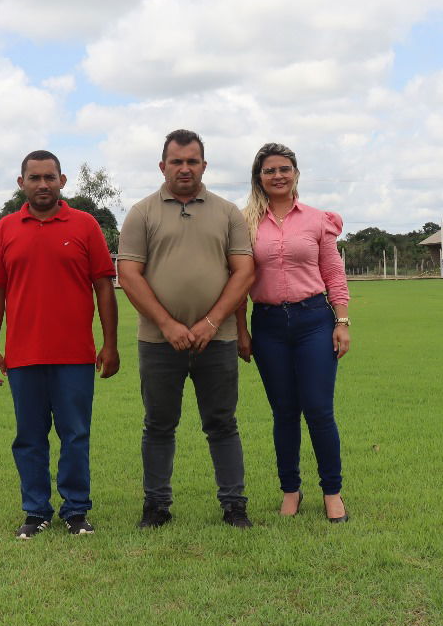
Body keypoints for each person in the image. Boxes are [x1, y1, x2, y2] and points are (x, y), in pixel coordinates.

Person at [117, 129, 256, 529]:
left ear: (204, 166)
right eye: (176, 161)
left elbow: (243, 270)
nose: (184, 168)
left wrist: (212, 322)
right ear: (162, 166)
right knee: (158, 425)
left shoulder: (227, 212)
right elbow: (128, 273)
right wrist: (168, 324)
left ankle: (234, 506)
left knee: (222, 424)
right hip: (160, 342)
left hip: (219, 339)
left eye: (192, 161)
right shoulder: (142, 213)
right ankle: (156, 506)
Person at [0, 150, 120, 539]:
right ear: (21, 183)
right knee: (29, 437)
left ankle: (76, 510)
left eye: (49, 177)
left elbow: (103, 289)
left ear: (63, 181)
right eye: (34, 178)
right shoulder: (7, 229)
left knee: (75, 434)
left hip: (75, 355)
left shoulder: (85, 225)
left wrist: (110, 344)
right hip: (23, 356)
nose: (42, 184)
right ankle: (36, 511)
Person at [235, 142, 351, 522]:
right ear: (259, 178)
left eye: (285, 169)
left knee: (319, 410)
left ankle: (332, 492)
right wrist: (241, 330)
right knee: (284, 413)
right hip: (267, 325)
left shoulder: (318, 220)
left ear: (295, 173)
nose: (278, 176)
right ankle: (291, 490)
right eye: (269, 170)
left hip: (313, 321)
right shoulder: (245, 223)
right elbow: (237, 279)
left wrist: (342, 321)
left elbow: (333, 273)